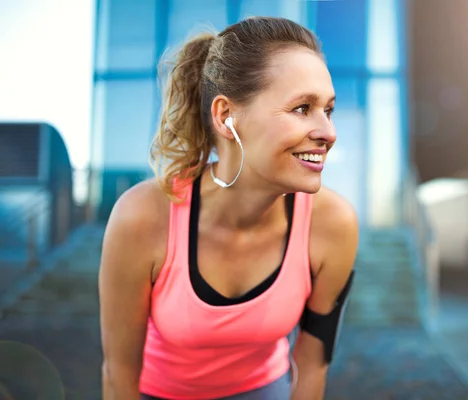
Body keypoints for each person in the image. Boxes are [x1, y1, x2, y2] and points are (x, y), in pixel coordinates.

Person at [98, 16, 358, 400]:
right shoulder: (141, 218)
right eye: (302, 108)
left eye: (328, 110)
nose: (328, 132)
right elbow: (119, 372)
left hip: (266, 388)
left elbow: (314, 361)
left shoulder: (333, 224)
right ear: (226, 117)